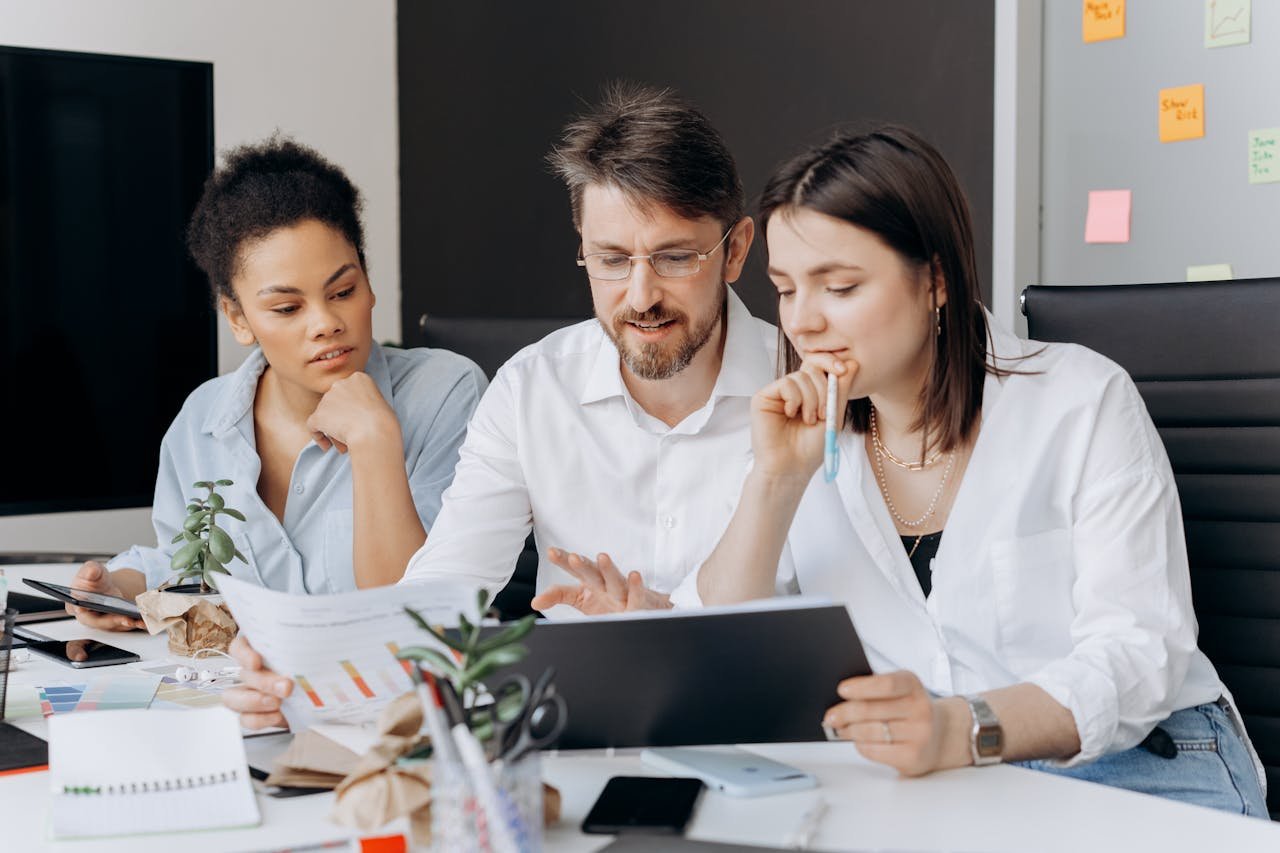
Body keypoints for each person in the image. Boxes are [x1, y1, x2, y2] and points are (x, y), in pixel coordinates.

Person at [555, 127, 1268, 816]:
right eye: (786, 288)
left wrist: (964, 727)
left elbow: (1140, 656)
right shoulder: (803, 435)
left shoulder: (1081, 402)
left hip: (1145, 764)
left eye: (838, 286)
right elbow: (727, 646)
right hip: (947, 789)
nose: (801, 323)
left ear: (936, 279)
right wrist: (773, 486)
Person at [224, 83, 779, 729]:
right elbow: (443, 593)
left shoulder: (811, 389)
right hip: (575, 732)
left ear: (735, 250)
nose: (640, 294)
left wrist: (668, 630)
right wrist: (300, 665)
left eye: (675, 257)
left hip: (775, 731)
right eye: (610, 259)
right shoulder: (531, 387)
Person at [66, 136, 486, 631]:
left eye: (343, 291)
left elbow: (412, 618)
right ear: (238, 319)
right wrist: (121, 590)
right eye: (287, 308)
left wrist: (375, 441)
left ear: (368, 285)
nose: (326, 322)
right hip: (250, 696)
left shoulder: (445, 392)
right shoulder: (204, 418)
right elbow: (187, 564)